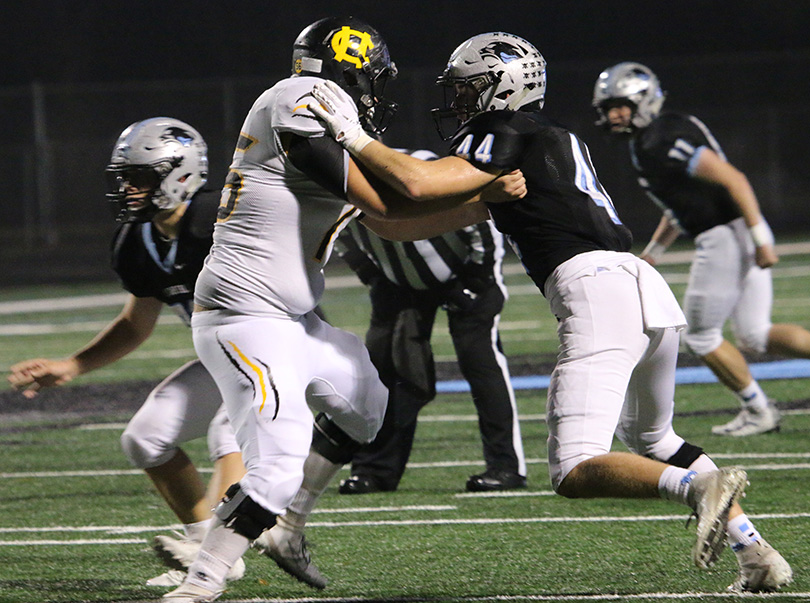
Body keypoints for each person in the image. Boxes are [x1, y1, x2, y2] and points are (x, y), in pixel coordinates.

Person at [309, 31, 792, 593]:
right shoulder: (539, 144)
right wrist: (357, 208)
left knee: (574, 469)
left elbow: (417, 182)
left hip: (595, 292)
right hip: (641, 288)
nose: (460, 103)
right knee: (656, 440)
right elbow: (414, 218)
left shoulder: (504, 130)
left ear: (505, 87)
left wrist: (348, 137)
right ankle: (755, 554)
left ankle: (697, 490)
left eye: (469, 90)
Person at [163, 17, 526, 603]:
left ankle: (285, 527)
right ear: (350, 67)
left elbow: (387, 223)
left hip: (293, 320)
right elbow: (395, 195)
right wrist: (480, 188)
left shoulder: (316, 118)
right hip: (246, 317)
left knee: (369, 406)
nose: (376, 92)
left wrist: (477, 209)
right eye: (374, 78)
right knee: (276, 469)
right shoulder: (302, 97)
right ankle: (200, 584)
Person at [5, 117, 247, 586]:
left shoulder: (223, 221)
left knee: (228, 432)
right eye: (125, 178)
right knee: (145, 439)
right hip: (224, 359)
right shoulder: (137, 241)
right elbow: (136, 323)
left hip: (283, 353)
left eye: (139, 177)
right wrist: (73, 364)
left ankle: (214, 552)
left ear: (179, 174)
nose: (128, 189)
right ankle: (207, 547)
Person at [591, 62, 810, 435]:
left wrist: (760, 241)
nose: (613, 114)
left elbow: (732, 178)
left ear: (642, 100)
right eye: (608, 107)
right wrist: (654, 253)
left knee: (700, 336)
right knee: (755, 333)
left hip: (725, 236)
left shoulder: (660, 138)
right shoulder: (658, 135)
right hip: (735, 230)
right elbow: (683, 205)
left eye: (620, 105)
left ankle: (759, 411)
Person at [335, 187, 527, 494]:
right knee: (386, 370)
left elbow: (479, 218)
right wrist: (372, 273)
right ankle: (375, 470)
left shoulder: (417, 171)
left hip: (464, 272)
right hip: (398, 281)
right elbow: (335, 232)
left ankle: (506, 466)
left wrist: (475, 279)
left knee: (479, 360)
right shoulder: (338, 186)